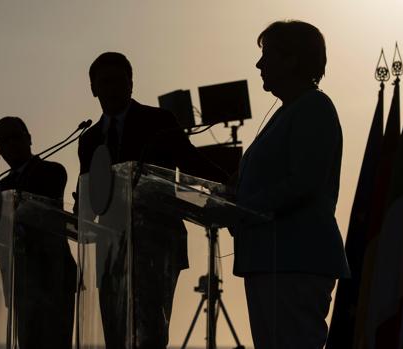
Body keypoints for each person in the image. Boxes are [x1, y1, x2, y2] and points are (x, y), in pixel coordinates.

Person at [76, 52, 227, 349]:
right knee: (116, 336)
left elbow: (191, 162)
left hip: (155, 242)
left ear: (131, 84)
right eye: (105, 82)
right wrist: (81, 208)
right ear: (93, 88)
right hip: (110, 250)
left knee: (150, 335)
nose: (113, 88)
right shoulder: (89, 139)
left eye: (120, 81)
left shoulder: (158, 120)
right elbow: (88, 192)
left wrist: (230, 181)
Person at [232, 21, 350, 348]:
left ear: (292, 60)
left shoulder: (314, 107)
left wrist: (241, 209)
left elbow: (304, 182)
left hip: (295, 258)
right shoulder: (288, 112)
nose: (259, 65)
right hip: (270, 259)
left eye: (266, 55)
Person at [0, 116, 77, 349]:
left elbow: (36, 207)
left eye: (15, 137)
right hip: (21, 281)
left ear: (28, 138)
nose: (10, 145)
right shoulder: (0, 187)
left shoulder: (52, 171)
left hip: (53, 277)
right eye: (3, 141)